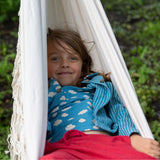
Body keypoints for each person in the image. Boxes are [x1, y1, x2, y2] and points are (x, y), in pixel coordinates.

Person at [41, 29, 160, 159]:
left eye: (73, 58)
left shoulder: (98, 85)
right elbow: (36, 121)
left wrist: (134, 137)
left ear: (83, 63)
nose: (64, 64)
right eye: (55, 58)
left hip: (104, 144)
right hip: (66, 147)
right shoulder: (43, 92)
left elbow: (119, 112)